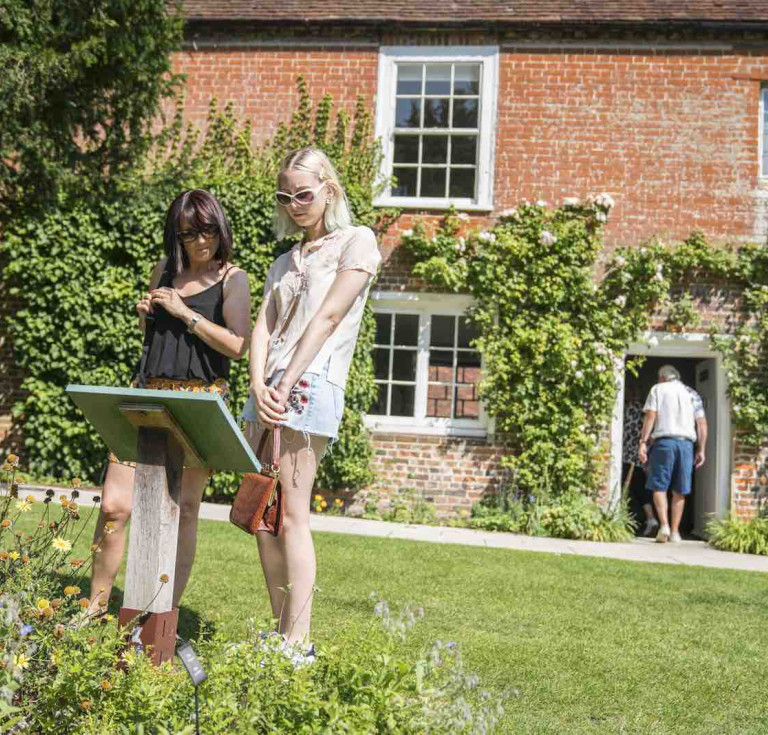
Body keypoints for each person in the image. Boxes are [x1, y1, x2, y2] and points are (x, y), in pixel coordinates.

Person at [241, 146, 381, 663]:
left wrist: (284, 383)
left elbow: (326, 319)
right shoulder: (285, 259)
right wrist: (258, 384)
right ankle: (281, 632)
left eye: (303, 193)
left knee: (293, 514)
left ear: (329, 189)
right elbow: (263, 327)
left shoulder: (357, 242)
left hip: (310, 383)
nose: (294, 203)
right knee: (262, 513)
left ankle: (298, 643)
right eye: (286, 196)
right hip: (269, 390)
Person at [88, 190, 251, 614]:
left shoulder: (233, 278)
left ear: (221, 228)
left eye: (209, 231)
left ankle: (160, 615)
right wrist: (148, 314)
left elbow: (238, 346)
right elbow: (157, 339)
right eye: (190, 233)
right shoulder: (163, 270)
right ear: (175, 236)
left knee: (184, 511)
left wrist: (185, 313)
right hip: (146, 392)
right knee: (114, 505)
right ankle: (95, 607)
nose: (202, 242)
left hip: (199, 400)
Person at [638, 364, 707, 544]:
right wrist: (701, 449)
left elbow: (651, 416)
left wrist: (643, 442)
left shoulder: (658, 389)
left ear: (661, 377)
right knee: (680, 489)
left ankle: (664, 525)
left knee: (659, 486)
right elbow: (702, 424)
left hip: (664, 442)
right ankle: (676, 532)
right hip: (686, 444)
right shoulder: (692, 393)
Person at [622, 384, 658, 537]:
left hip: (629, 454)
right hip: (639, 454)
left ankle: (650, 518)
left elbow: (626, 432)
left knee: (634, 487)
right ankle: (647, 518)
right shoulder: (643, 411)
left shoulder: (629, 409)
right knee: (638, 487)